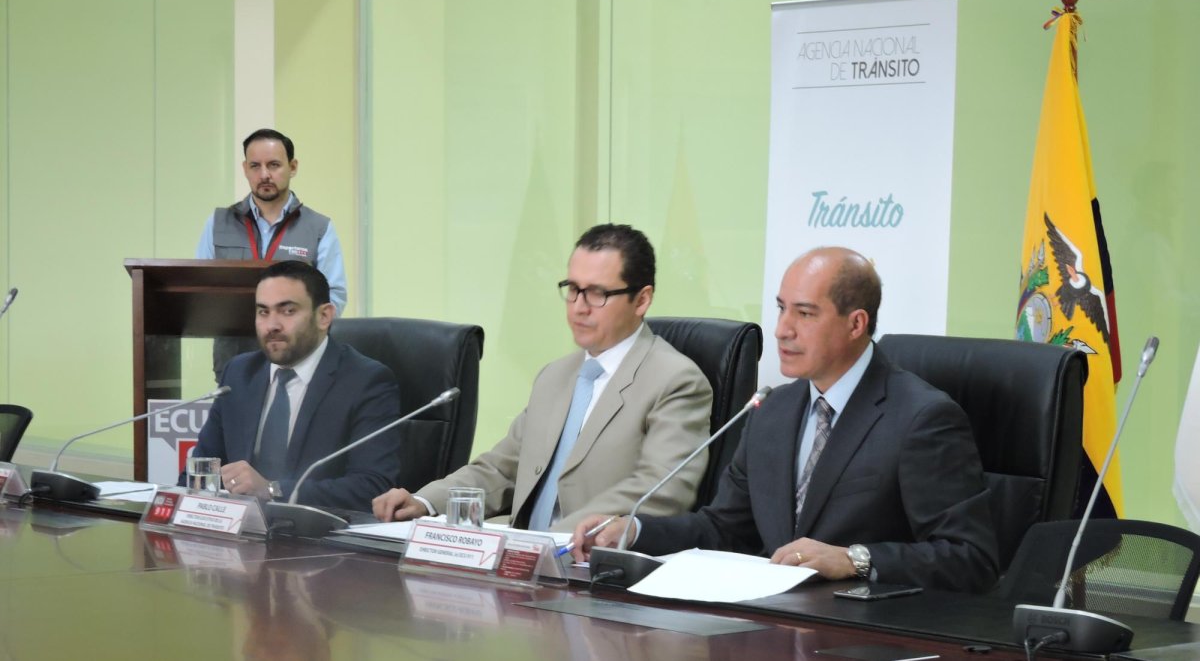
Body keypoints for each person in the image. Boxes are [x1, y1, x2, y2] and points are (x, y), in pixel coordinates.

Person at [572, 247, 999, 593]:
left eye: (805, 314)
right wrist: (634, 530)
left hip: (861, 632)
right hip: (772, 625)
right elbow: (724, 529)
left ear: (856, 324)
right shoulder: (771, 410)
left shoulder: (922, 418)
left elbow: (971, 559)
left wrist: (855, 559)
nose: (782, 330)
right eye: (781, 309)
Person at [372, 224, 713, 532]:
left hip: (593, 565)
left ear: (641, 300)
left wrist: (556, 538)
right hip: (522, 561)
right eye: (573, 289)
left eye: (597, 293)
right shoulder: (555, 375)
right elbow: (502, 469)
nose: (579, 307)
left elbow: (661, 488)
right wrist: (426, 502)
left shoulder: (675, 380)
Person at [185, 260, 401, 511]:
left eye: (287, 311)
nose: (272, 325)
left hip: (320, 532)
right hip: (239, 527)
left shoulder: (365, 381)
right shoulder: (239, 373)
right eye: (263, 312)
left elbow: (373, 486)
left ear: (324, 316)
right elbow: (202, 468)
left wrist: (272, 490)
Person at [196, 128, 347, 314]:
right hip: (232, 332)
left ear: (293, 167)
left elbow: (334, 297)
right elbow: (199, 288)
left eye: (273, 165)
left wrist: (298, 323)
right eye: (255, 166)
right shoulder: (218, 223)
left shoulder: (319, 228)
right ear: (245, 169)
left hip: (294, 334)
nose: (264, 175)